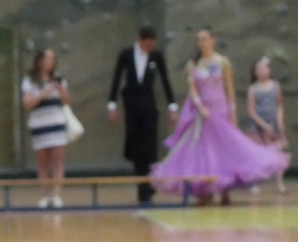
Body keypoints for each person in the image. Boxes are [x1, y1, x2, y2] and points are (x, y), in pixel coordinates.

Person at [150, 29, 289, 206]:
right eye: (199, 40)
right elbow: (193, 90)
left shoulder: (223, 62)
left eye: (204, 39)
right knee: (205, 151)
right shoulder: (194, 64)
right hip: (203, 115)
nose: (201, 42)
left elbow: (229, 89)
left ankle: (225, 189)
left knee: (225, 147)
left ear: (212, 40)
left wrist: (232, 112)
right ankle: (205, 190)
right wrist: (201, 107)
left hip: (220, 110)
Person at [107, 26, 179, 204]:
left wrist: (172, 106)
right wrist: (112, 104)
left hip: (149, 106)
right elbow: (117, 78)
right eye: (148, 45)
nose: (151, 48)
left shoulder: (156, 56)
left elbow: (165, 80)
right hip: (132, 106)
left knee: (150, 146)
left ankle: (149, 186)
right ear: (140, 41)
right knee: (136, 147)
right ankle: (142, 187)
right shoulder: (126, 55)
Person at [22, 49, 70, 209]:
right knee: (43, 163)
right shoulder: (29, 81)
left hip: (56, 123)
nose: (51, 61)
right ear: (40, 60)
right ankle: (45, 195)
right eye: (48, 58)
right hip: (39, 124)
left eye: (52, 58)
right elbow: (27, 104)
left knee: (57, 161)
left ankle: (56, 195)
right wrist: (43, 93)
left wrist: (61, 90)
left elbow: (66, 101)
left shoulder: (59, 78)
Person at [245, 57, 289, 194]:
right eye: (258, 69)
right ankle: (255, 183)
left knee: (277, 154)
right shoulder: (253, 89)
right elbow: (251, 110)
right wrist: (263, 125)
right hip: (258, 126)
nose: (261, 71)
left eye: (263, 68)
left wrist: (279, 121)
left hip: (274, 126)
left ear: (269, 70)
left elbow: (279, 105)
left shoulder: (276, 86)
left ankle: (279, 184)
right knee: (257, 155)